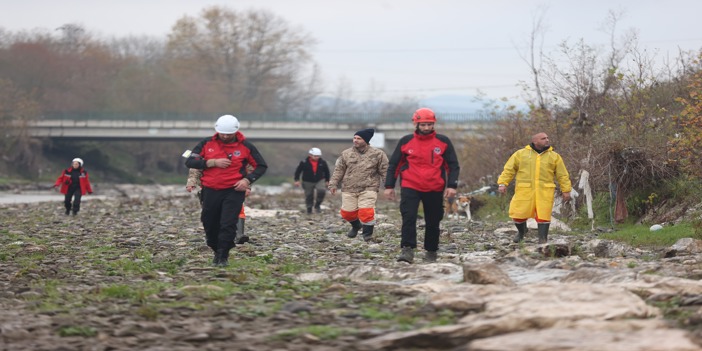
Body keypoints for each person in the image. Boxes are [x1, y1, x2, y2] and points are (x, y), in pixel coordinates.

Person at [184, 115, 267, 267]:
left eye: (228, 134)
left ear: (235, 132)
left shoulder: (246, 146)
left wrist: (247, 181)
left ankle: (223, 255)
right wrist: (211, 162)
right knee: (209, 222)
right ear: (217, 131)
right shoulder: (205, 143)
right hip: (210, 190)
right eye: (222, 133)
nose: (225, 136)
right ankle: (215, 248)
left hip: (234, 190)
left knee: (228, 223)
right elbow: (189, 161)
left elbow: (261, 166)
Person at [384, 108, 460, 263]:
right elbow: (394, 165)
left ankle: (431, 251)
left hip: (435, 186)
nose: (426, 128)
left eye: (429, 124)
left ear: (434, 124)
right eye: (423, 124)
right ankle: (407, 249)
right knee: (409, 216)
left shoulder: (443, 142)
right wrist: (389, 186)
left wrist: (452, 185)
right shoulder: (406, 141)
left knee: (433, 220)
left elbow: (453, 166)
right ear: (416, 124)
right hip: (410, 185)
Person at [497, 132, 572, 244]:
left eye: (547, 138)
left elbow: (562, 175)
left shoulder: (554, 156)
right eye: (543, 138)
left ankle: (542, 240)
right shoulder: (520, 154)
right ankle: (522, 232)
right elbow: (509, 169)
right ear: (535, 141)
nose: (547, 140)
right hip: (524, 190)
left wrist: (566, 190)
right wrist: (503, 183)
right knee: (518, 214)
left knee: (543, 215)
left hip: (545, 191)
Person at [328, 128, 388, 242]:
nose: (355, 140)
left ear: (366, 140)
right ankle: (356, 226)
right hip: (349, 188)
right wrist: (333, 184)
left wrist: (388, 186)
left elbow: (385, 171)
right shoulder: (346, 154)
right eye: (354, 138)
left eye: (358, 138)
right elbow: (339, 170)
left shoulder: (378, 154)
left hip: (369, 187)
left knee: (366, 211)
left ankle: (367, 235)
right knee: (347, 213)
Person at [186, 168, 251, 245]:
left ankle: (239, 235)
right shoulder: (202, 157)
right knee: (212, 213)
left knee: (238, 210)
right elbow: (195, 170)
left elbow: (244, 170)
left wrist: (247, 186)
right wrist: (191, 183)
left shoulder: (234, 157)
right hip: (210, 187)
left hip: (232, 186)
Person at [294, 147, 331, 214]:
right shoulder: (304, 162)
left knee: (321, 191)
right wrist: (297, 180)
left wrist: (327, 180)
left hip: (319, 180)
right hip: (307, 181)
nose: (317, 157)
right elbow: (298, 171)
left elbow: (327, 172)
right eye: (315, 156)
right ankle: (309, 208)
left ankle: (317, 205)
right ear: (310, 155)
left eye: (318, 156)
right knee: (309, 195)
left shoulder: (323, 162)